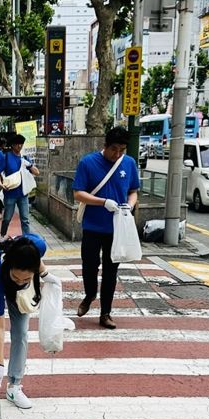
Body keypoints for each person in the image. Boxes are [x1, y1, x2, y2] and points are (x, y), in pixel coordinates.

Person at [0, 234, 49, 417]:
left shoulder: (37, 246)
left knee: (21, 332)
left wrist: (46, 274)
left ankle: (14, 385)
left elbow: (36, 260)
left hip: (18, 290)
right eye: (17, 277)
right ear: (9, 265)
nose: (21, 281)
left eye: (27, 279)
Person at [72, 126, 140, 330]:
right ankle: (90, 294)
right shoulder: (88, 163)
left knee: (111, 272)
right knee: (89, 266)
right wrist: (102, 202)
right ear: (105, 146)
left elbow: (134, 191)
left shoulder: (128, 163)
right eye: (114, 149)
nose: (117, 154)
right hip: (93, 226)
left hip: (117, 229)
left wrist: (130, 203)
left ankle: (106, 313)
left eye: (122, 150)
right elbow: (78, 193)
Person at [0, 134, 39, 242]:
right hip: (10, 193)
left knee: (25, 219)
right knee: (7, 218)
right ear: (12, 145)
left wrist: (29, 165)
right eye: (17, 144)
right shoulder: (6, 157)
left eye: (21, 144)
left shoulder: (24, 158)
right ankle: (2, 235)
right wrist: (1, 184)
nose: (20, 146)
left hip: (23, 194)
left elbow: (36, 172)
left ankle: (27, 238)